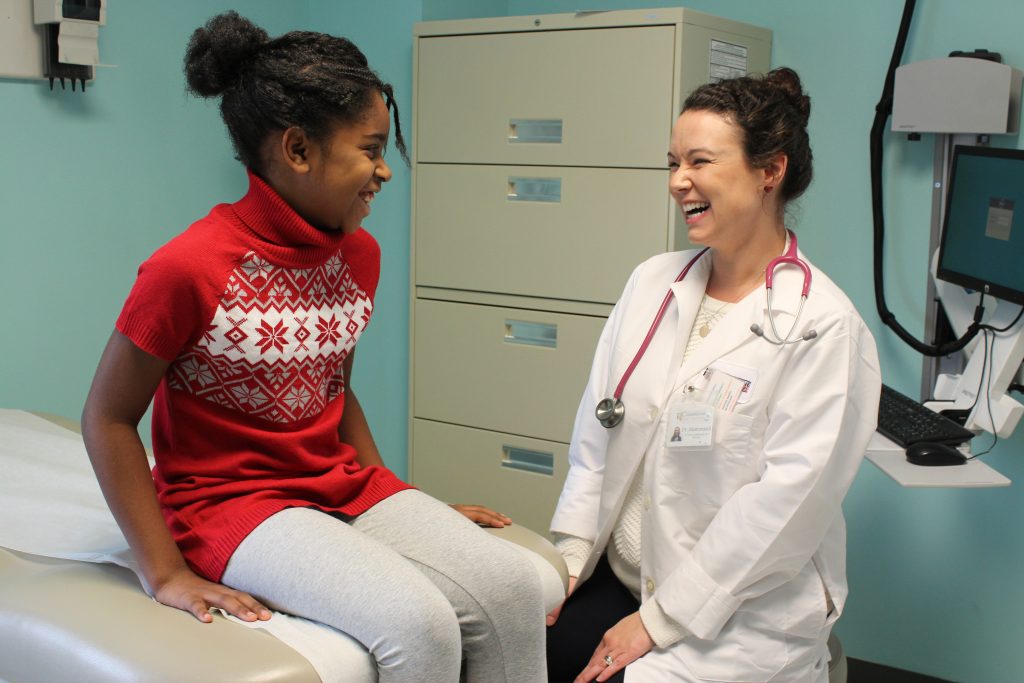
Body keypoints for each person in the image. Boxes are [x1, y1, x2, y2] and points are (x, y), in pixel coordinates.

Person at [80, 12, 546, 683]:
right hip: (228, 504)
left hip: (333, 484)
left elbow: (333, 386)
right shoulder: (186, 268)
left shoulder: (359, 255)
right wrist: (163, 572)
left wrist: (397, 498)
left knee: (514, 587)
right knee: (420, 624)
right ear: (297, 149)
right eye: (371, 148)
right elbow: (108, 415)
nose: (385, 171)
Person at [545, 68, 881, 683]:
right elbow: (597, 429)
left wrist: (659, 620)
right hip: (621, 577)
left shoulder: (822, 326)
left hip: (738, 613)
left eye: (700, 161)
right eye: (672, 162)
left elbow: (786, 507)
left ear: (769, 172)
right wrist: (569, 554)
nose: (679, 182)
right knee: (522, 650)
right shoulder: (653, 281)